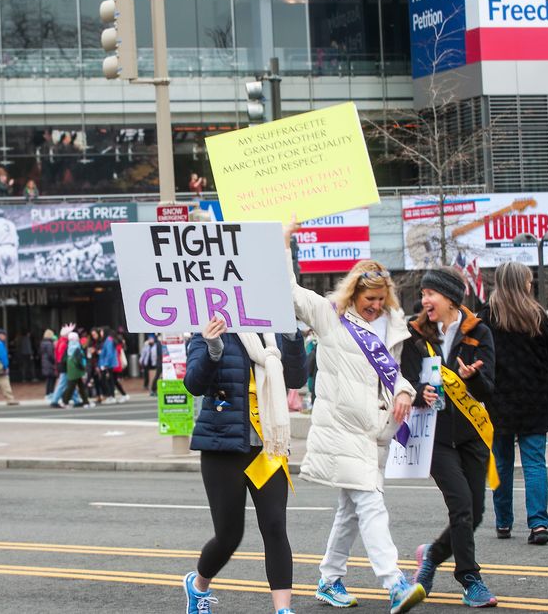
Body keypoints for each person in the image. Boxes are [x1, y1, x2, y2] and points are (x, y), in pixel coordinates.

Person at [282, 214, 426, 614]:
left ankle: (329, 579)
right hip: (342, 427)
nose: (376, 307)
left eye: (381, 300)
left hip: (376, 432)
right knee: (370, 503)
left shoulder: (393, 325)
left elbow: (396, 375)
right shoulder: (329, 316)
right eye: (369, 301)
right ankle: (394, 583)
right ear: (353, 295)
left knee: (349, 510)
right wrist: (284, 242)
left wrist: (403, 391)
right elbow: (288, 290)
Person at [181, 314, 307, 614]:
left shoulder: (271, 332)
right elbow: (194, 384)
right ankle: (198, 585)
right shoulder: (211, 330)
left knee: (275, 526)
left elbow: (297, 379)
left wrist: (291, 336)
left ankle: (283, 610)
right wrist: (213, 349)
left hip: (269, 447)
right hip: (223, 448)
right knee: (228, 536)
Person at [401, 267, 499, 608]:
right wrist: (418, 393)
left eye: (431, 294)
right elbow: (404, 382)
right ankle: (470, 578)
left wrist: (471, 378)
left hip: (472, 435)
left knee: (476, 512)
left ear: (451, 298)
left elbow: (488, 388)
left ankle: (431, 555)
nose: (425, 300)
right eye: (424, 294)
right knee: (461, 506)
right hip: (435, 437)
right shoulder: (415, 336)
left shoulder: (478, 332)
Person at [477, 262, 548, 546]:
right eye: (529, 281)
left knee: (502, 462)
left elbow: (479, 358)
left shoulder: (487, 317)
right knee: (534, 463)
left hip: (500, 400)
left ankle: (504, 521)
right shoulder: (537, 316)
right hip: (535, 399)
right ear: (522, 283)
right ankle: (538, 524)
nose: (531, 285)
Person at [60, 332, 90, 408]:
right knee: (74, 387)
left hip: (71, 369)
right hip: (77, 369)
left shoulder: (68, 346)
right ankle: (65, 401)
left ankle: (85, 402)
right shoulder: (77, 346)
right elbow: (80, 359)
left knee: (77, 386)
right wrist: (83, 367)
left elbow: (63, 359)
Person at [40, 329, 57, 398]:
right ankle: (50, 393)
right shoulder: (49, 344)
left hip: (45, 363)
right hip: (50, 363)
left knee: (49, 380)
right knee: (52, 379)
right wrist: (55, 361)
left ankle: (48, 393)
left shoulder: (43, 343)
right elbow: (51, 355)